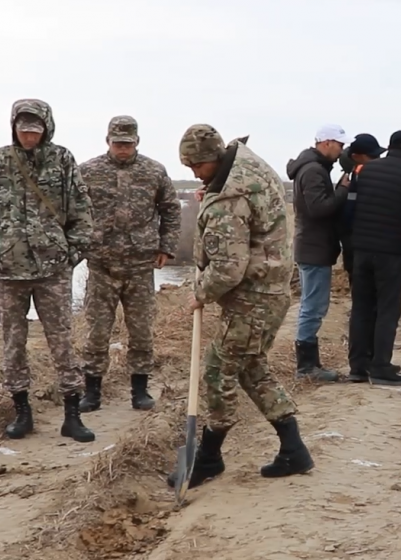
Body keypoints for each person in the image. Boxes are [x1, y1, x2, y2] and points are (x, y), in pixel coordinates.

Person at [167, 124, 314, 489]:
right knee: (250, 368)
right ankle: (294, 450)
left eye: (196, 167)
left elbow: (227, 269)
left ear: (213, 159)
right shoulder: (246, 167)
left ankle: (209, 458)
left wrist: (200, 292)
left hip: (254, 297)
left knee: (217, 371)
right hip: (271, 290)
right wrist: (212, 192)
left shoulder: (229, 199)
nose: (193, 174)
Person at [0, 98, 96, 443]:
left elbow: (82, 210)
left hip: (52, 269)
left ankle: (72, 415)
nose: (29, 136)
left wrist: (73, 253)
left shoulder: (62, 159)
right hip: (8, 268)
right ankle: (22, 413)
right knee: (13, 342)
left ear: (46, 128)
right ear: (14, 127)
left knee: (62, 341)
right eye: (23, 129)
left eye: (35, 129)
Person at [76, 116, 182, 413]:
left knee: (141, 331)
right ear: (107, 141)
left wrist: (167, 247)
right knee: (97, 331)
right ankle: (92, 391)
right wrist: (80, 246)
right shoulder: (88, 171)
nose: (123, 149)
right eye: (117, 143)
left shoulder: (153, 171)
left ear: (137, 142)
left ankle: (140, 390)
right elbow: (72, 211)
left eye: (128, 144)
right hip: (101, 265)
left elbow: (171, 210)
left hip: (140, 266)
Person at [347, 130, 401, 385]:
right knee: (387, 308)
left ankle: (358, 367)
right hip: (391, 251)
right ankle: (381, 366)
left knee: (361, 307)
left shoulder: (363, 170)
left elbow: (350, 206)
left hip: (360, 248)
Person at [286, 124, 353, 383]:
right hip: (314, 248)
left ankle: (309, 364)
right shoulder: (314, 170)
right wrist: (343, 190)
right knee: (312, 307)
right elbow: (319, 209)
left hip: (313, 246)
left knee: (312, 305)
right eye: (340, 144)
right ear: (326, 143)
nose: (342, 150)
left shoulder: (312, 167)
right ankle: (306, 367)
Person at [338, 133, 387, 287]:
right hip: (355, 243)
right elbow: (346, 213)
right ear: (356, 157)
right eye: (371, 156)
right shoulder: (353, 178)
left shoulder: (362, 176)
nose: (376, 160)